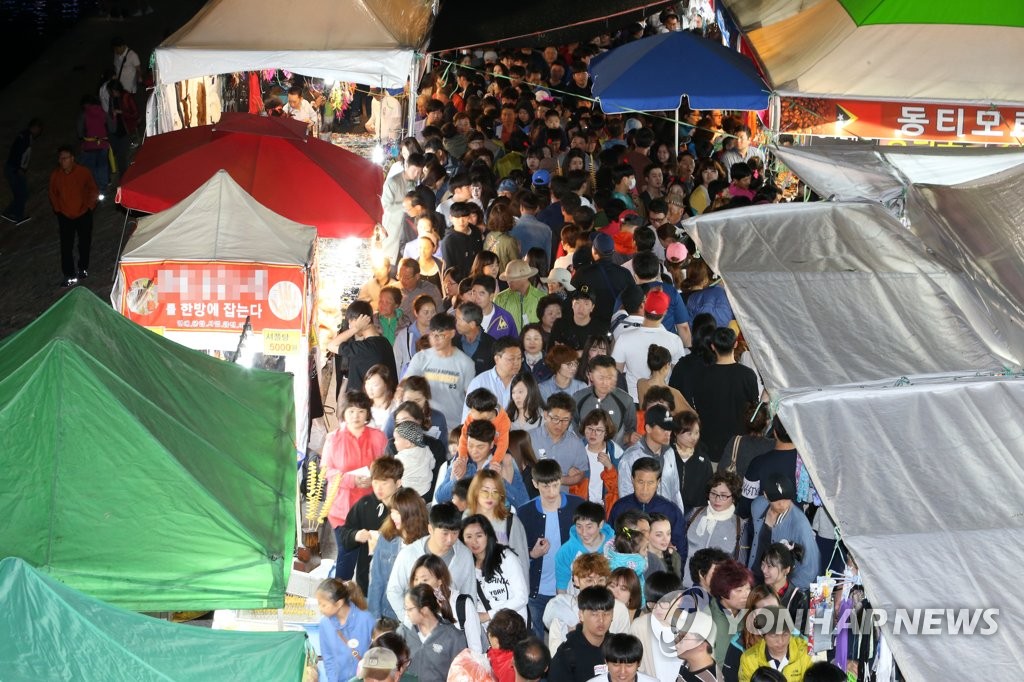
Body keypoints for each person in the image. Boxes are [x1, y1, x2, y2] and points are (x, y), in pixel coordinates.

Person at [516, 459, 584, 638]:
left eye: (555, 485)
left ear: (561, 481)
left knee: (568, 640)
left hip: (570, 589)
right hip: (536, 590)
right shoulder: (524, 513)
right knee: (535, 641)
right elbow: (515, 552)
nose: (551, 492)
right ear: (535, 484)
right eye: (545, 487)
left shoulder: (577, 506)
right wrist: (532, 554)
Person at [387, 502, 476, 623]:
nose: (450, 539)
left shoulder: (464, 555)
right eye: (445, 533)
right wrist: (409, 621)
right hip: (417, 626)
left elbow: (469, 594)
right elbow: (393, 590)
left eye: (455, 533)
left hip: (451, 628)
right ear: (430, 529)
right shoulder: (409, 554)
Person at [689, 327, 758, 463]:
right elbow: (753, 409)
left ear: (713, 346)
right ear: (735, 344)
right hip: (739, 448)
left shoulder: (701, 375)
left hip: (709, 447)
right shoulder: (747, 375)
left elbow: (697, 406)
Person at [338, 457, 404, 595]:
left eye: (384, 483)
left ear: (398, 483)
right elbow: (345, 533)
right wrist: (355, 535)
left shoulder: (408, 505)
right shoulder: (365, 504)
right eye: (375, 482)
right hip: (367, 579)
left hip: (398, 580)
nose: (378, 488)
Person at [546, 554, 632, 656]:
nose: (595, 585)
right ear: (576, 580)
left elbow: (622, 651)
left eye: (600, 580)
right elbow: (555, 654)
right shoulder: (562, 608)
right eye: (589, 580)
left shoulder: (619, 609)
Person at [402, 312, 477, 430]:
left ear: (452, 333)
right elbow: (405, 385)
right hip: (425, 425)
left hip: (453, 426)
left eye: (441, 335)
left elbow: (471, 400)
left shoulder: (466, 364)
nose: (435, 340)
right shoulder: (420, 358)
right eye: (432, 335)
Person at [747, 474, 820, 591]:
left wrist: (788, 591)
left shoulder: (799, 524)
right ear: (766, 495)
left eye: (786, 499)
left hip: (779, 587)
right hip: (755, 576)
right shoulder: (757, 506)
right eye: (776, 500)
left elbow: (810, 566)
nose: (782, 504)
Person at [368, 487, 429, 621]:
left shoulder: (425, 544)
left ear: (411, 513)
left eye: (398, 512)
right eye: (392, 511)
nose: (393, 516)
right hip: (386, 613)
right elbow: (376, 579)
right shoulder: (386, 537)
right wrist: (374, 617)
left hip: (414, 616)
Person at [409, 553, 484, 654]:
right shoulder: (412, 607)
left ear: (440, 580)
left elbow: (475, 650)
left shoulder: (462, 604)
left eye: (425, 580)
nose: (419, 584)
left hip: (460, 668)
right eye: (416, 579)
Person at [461, 513, 530, 622]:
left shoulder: (506, 557)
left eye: (479, 535)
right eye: (468, 537)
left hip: (513, 626)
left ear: (488, 535)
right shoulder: (465, 565)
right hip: (485, 632)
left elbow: (521, 597)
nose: (474, 542)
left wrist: (488, 615)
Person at [684, 472, 747, 586]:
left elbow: (740, 565)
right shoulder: (693, 514)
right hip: (685, 582)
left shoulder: (740, 526)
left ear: (733, 498)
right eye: (713, 493)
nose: (717, 500)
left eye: (723, 495)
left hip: (717, 590)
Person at [48, 145, 98, 287]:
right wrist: (58, 209)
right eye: (60, 159)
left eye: (65, 158)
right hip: (65, 216)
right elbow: (52, 193)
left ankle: (83, 267)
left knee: (84, 242)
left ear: (72, 158)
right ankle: (69, 274)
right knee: (66, 246)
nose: (62, 161)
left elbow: (92, 189)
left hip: (83, 214)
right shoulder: (56, 176)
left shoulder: (83, 172)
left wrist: (89, 206)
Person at [617, 405, 684, 510]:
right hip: (641, 521)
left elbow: (675, 491)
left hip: (666, 520)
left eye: (669, 428)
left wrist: (679, 518)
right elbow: (626, 496)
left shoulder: (669, 453)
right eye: (663, 428)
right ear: (648, 428)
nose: (668, 433)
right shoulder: (630, 457)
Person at [467, 468, 530, 577]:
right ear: (475, 492)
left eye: (495, 492)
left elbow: (522, 564)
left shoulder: (511, 522)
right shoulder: (465, 519)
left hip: (504, 588)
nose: (490, 497)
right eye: (485, 491)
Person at [401, 584, 469, 682]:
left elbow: (461, 675)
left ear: (424, 610)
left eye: (410, 609)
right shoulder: (403, 633)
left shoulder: (454, 637)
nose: (406, 613)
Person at [329, 300, 398, 397]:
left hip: (362, 404)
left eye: (350, 322)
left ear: (360, 320)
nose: (349, 326)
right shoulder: (384, 342)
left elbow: (331, 345)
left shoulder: (362, 348)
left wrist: (356, 328)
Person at [547, 586, 616, 682]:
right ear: (581, 615)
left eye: (606, 614)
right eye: (594, 614)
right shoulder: (566, 654)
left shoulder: (618, 647)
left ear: (613, 615)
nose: (601, 620)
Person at [316, 578, 375, 682]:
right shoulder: (324, 624)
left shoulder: (367, 620)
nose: (320, 609)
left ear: (339, 603)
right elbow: (328, 657)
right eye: (319, 604)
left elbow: (375, 655)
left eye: (324, 605)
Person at [529, 392, 589, 493]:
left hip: (563, 498)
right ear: (545, 414)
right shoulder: (530, 438)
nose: (559, 424)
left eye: (565, 420)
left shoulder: (576, 444)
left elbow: (580, 474)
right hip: (534, 496)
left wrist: (559, 480)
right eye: (555, 418)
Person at [569, 233, 635, 325]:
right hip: (616, 323)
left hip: (590, 324)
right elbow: (633, 298)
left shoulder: (583, 273)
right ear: (613, 251)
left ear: (594, 251)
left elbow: (570, 298)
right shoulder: (625, 273)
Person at [573, 356, 636, 447]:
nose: (605, 383)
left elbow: (631, 430)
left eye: (610, 377)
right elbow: (573, 427)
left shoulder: (626, 400)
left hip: (615, 453)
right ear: (591, 376)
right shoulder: (578, 398)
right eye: (601, 378)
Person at [737, 606, 811, 681]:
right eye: (774, 636)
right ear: (763, 635)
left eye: (785, 634)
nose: (780, 641)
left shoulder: (807, 653)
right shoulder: (749, 659)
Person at [380, 155, 426, 266]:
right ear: (406, 165)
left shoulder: (414, 183)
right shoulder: (393, 182)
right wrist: (406, 206)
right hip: (393, 228)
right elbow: (386, 206)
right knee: (390, 263)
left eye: (419, 172)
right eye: (414, 170)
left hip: (407, 230)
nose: (416, 174)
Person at [464, 337, 523, 418]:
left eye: (519, 358)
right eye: (511, 359)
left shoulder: (525, 382)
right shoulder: (479, 383)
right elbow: (467, 419)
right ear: (497, 359)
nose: (516, 363)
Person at [759, 542, 809, 634]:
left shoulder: (798, 599)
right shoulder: (758, 593)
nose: (764, 570)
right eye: (763, 564)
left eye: (769, 566)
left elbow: (801, 638)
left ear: (786, 570)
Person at [577, 408, 622, 509]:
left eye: (598, 430)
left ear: (606, 432)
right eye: (589, 428)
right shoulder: (576, 449)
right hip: (581, 509)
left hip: (606, 509)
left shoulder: (616, 453)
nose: (593, 434)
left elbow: (619, 488)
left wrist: (610, 468)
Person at [672, 411, 715, 514]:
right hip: (669, 508)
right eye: (689, 433)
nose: (694, 437)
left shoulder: (703, 460)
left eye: (697, 432)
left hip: (694, 511)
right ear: (676, 432)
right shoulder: (667, 455)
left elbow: (708, 490)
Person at [3, 117, 42, 225]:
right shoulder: (25, 137)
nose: (39, 132)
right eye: (39, 129)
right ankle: (17, 216)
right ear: (34, 127)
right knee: (22, 193)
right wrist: (19, 168)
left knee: (20, 193)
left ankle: (9, 212)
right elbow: (19, 153)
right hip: (14, 169)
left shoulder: (25, 135)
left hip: (13, 168)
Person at [494, 260, 545, 335]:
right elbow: (494, 327)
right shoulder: (500, 298)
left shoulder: (541, 298)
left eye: (512, 278)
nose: (508, 281)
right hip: (508, 345)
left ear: (524, 278)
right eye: (508, 278)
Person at [670, 608, 720, 682]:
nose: (676, 641)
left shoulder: (710, 679)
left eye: (683, 637)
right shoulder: (687, 664)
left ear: (702, 645)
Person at [393, 293, 435, 377]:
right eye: (426, 312)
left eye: (433, 312)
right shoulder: (404, 335)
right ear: (416, 312)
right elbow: (397, 363)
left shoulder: (439, 333)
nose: (430, 316)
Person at [441, 202, 483, 281]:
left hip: (478, 278)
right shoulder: (449, 241)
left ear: (469, 217)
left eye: (464, 217)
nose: (461, 221)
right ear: (451, 218)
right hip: (461, 283)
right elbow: (449, 268)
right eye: (457, 218)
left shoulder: (476, 231)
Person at [391, 421, 434, 499]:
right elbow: (432, 465)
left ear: (407, 443)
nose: (394, 442)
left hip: (408, 494)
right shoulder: (426, 449)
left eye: (396, 439)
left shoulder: (399, 458)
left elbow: (395, 476)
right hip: (426, 490)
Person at [468, 274, 518, 340]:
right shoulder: (465, 317)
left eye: (481, 293)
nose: (476, 297)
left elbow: (515, 344)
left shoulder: (505, 317)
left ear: (491, 297)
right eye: (473, 292)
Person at [484, 609, 529, 682]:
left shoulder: (510, 669)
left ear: (497, 642)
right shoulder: (501, 650)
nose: (488, 635)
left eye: (490, 636)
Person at [454, 301, 496, 375]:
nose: (456, 323)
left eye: (459, 320)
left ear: (472, 324)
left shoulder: (492, 344)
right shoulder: (453, 343)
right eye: (456, 319)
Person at [364, 364, 399, 429]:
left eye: (375, 385)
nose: (369, 388)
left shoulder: (396, 406)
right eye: (367, 384)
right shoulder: (364, 408)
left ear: (386, 385)